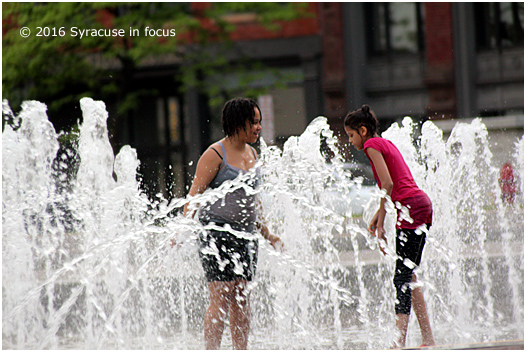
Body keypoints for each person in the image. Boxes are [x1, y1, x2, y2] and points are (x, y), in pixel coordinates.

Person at [183, 97, 281, 350]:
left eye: (259, 122)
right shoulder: (215, 154)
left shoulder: (253, 152)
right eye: (254, 122)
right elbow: (193, 196)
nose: (258, 127)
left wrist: (267, 234)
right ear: (239, 123)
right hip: (216, 235)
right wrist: (181, 229)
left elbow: (254, 201)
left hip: (246, 237)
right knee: (221, 297)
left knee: (242, 298)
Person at [343, 105, 435, 348]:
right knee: (409, 274)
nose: (350, 141)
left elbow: (387, 182)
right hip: (421, 204)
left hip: (412, 208)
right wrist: (379, 212)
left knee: (401, 277)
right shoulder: (386, 143)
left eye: (351, 135)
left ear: (363, 131)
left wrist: (382, 221)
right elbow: (392, 185)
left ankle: (399, 342)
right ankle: (428, 338)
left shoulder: (371, 145)